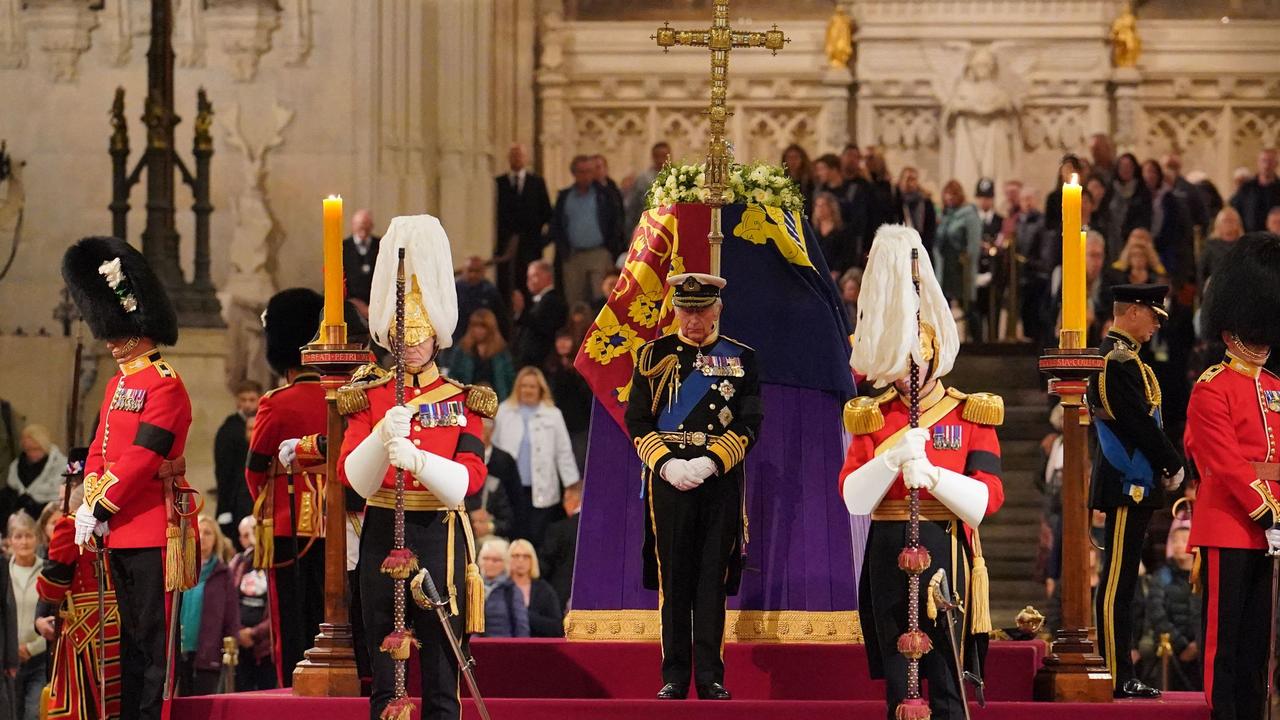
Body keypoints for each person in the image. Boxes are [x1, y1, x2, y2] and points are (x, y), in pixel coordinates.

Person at [841, 224, 1004, 719]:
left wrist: (934, 476)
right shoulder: (874, 414)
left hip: (946, 547)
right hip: (888, 547)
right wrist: (889, 457)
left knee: (948, 679)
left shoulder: (968, 412)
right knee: (898, 679)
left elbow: (987, 499)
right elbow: (852, 497)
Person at [337, 214, 494, 720]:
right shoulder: (370, 394)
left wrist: (420, 459)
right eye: (402, 335)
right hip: (384, 527)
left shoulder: (465, 400)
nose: (410, 344)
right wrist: (383, 438)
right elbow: (351, 477)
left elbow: (467, 481)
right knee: (385, 675)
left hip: (439, 537)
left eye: (420, 335)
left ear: (436, 337)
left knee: (442, 677)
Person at [61, 235, 192, 720]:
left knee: (155, 643)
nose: (112, 343)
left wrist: (100, 504)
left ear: (140, 328)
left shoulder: (165, 384)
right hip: (119, 530)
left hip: (156, 527)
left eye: (119, 334)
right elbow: (100, 445)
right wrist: (85, 500)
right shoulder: (118, 384)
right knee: (130, 640)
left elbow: (143, 455)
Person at [626, 272, 763, 701]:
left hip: (718, 479)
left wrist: (711, 461)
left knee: (711, 580)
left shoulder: (742, 359)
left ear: (717, 310)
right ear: (675, 310)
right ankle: (673, 676)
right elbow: (637, 419)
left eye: (702, 310)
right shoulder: (653, 355)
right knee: (675, 581)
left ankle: (711, 676)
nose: (693, 320)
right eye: (686, 310)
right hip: (668, 480)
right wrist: (665, 465)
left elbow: (750, 421)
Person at [1184, 232, 1280, 719]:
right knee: (1226, 643)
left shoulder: (1273, 386)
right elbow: (1223, 462)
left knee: (1259, 644)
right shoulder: (1211, 388)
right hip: (1230, 522)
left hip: (1271, 530)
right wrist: (1269, 509)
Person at [1087, 284, 1184, 699]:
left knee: (1124, 581)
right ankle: (1115, 672)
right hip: (1127, 482)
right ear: (1131, 312)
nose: (1157, 323)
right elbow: (1137, 424)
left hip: (1135, 482)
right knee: (1117, 583)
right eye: (1152, 315)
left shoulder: (1131, 362)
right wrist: (1173, 462)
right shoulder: (1116, 362)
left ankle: (1119, 671)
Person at [244, 288, 327, 687]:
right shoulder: (340, 397)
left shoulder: (277, 402)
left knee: (291, 623)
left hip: (286, 522)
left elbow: (255, 470)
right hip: (341, 524)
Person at [35, 479, 120, 720]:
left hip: (85, 629)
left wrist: (40, 586)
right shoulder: (116, 522)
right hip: (119, 623)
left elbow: (52, 588)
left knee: (83, 706)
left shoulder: (69, 525)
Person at [492, 367, 580, 548]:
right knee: (512, 533)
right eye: (524, 386)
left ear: (540, 388)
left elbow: (563, 452)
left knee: (538, 536)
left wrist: (572, 486)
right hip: (509, 489)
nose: (527, 390)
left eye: (532, 386)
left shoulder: (553, 414)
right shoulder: (504, 411)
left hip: (542, 487)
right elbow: (494, 450)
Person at [549, 155, 624, 306]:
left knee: (602, 300)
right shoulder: (565, 197)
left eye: (589, 171)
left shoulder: (604, 195)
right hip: (573, 256)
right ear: (574, 173)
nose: (586, 175)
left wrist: (612, 250)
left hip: (599, 253)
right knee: (575, 303)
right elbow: (557, 225)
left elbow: (616, 222)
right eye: (581, 171)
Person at [177, 516, 239, 696]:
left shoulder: (223, 573)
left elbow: (231, 615)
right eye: (199, 532)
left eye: (208, 533)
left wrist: (231, 648)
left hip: (208, 652)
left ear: (216, 540)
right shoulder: (180, 568)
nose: (202, 537)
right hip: (179, 651)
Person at [1142, 520, 1200, 691]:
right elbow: (1156, 612)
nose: (1178, 545)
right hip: (1172, 651)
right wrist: (1181, 644)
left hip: (1198, 651)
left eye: (1184, 540)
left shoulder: (1202, 577)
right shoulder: (1162, 576)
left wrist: (1198, 645)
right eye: (1174, 541)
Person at [494, 143, 553, 303]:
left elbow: (547, 213)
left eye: (520, 155)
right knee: (506, 286)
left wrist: (542, 241)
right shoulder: (499, 183)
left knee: (530, 286)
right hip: (505, 246)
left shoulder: (536, 183)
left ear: (526, 159)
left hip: (530, 246)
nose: (517, 158)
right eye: (513, 155)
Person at [229, 516, 275, 691]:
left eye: (254, 533)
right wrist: (238, 631)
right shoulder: (239, 563)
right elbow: (229, 600)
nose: (252, 539)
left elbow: (276, 611)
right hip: (240, 642)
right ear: (240, 540)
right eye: (246, 535)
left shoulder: (273, 562)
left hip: (265, 646)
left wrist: (254, 633)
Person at [214, 380, 260, 545]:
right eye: (243, 400)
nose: (247, 404)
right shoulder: (229, 429)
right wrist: (224, 507)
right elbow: (223, 470)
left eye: (252, 399)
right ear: (237, 401)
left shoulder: (265, 422)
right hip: (236, 496)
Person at [934, 179, 983, 336]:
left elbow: (973, 243)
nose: (949, 198)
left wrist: (969, 264)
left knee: (968, 305)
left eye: (952, 194)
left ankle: (977, 342)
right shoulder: (945, 215)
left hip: (962, 267)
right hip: (946, 266)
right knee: (944, 305)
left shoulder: (969, 214)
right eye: (946, 194)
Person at [8, 512, 44, 720]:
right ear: (10, 540)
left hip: (38, 658)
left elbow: (54, 617)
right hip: (7, 659)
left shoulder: (46, 572)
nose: (24, 541)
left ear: (37, 538)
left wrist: (31, 648)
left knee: (33, 713)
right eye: (18, 536)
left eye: (29, 535)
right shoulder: (5, 573)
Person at [440, 308, 516, 401]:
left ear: (491, 329)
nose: (479, 330)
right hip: (467, 401)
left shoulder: (501, 352)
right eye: (475, 326)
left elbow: (509, 378)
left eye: (483, 327)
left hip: (498, 402)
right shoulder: (462, 350)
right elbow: (453, 376)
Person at [544, 331, 593, 471]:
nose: (562, 343)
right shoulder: (550, 365)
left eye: (566, 339)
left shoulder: (582, 366)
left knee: (578, 464)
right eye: (559, 339)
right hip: (557, 422)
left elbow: (587, 395)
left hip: (579, 424)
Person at [1141, 159, 1194, 285]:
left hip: (1164, 251)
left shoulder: (1169, 199)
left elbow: (1175, 228)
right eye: (1147, 172)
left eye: (1153, 172)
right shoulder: (1137, 197)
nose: (1150, 176)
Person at [512, 260, 568, 370]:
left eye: (534, 276)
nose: (529, 281)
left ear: (548, 277)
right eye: (528, 277)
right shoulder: (539, 301)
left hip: (541, 363)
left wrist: (521, 312)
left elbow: (543, 326)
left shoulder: (552, 300)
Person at [4, 425, 66, 523]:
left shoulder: (60, 466)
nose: (32, 454)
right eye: (28, 449)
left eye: (36, 449)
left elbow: (58, 497)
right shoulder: (17, 466)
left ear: (44, 447)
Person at [539, 482, 581, 616]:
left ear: (572, 500)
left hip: (561, 594)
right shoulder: (602, 529)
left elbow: (545, 562)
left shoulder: (559, 529)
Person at [507, 538, 562, 637]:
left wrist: (525, 615)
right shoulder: (501, 588)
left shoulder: (544, 590)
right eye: (516, 556)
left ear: (533, 560)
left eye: (526, 556)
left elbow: (556, 628)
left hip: (537, 647)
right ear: (508, 559)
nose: (520, 560)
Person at [478, 539, 529, 639]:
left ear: (505, 563)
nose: (489, 563)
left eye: (495, 560)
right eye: (485, 559)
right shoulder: (472, 587)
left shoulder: (512, 591)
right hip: (473, 649)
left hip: (503, 648)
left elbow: (521, 628)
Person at [454, 255, 510, 342]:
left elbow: (501, 319)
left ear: (483, 272)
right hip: (457, 343)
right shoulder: (454, 291)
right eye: (470, 270)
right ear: (463, 271)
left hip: (483, 344)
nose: (473, 275)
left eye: (477, 271)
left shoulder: (491, 292)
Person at [624, 141, 672, 233]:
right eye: (658, 156)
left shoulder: (676, 178)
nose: (661, 160)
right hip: (647, 227)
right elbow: (632, 207)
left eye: (664, 156)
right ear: (653, 157)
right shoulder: (643, 179)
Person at [343, 208, 381, 320]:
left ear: (372, 225)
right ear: (353, 225)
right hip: (350, 307)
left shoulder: (381, 245)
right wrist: (354, 304)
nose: (363, 227)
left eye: (366, 224)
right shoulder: (342, 247)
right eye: (359, 224)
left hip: (377, 306)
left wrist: (373, 306)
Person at [1230, 148, 1280, 232]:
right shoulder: (1246, 188)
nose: (1266, 165)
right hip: (1251, 237)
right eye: (1264, 161)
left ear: (1276, 164)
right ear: (1258, 163)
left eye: (1270, 161)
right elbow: (1234, 210)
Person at [893, 166, 936, 256]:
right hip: (900, 249)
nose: (910, 183)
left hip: (921, 248)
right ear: (901, 181)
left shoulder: (925, 202)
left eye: (913, 179)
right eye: (908, 179)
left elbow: (930, 228)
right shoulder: (894, 201)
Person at [813, 191, 857, 277]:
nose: (819, 209)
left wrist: (837, 271)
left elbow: (846, 255)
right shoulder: (814, 232)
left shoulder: (842, 231)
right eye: (817, 206)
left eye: (823, 205)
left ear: (831, 207)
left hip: (837, 274)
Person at [1199, 207, 1244, 289]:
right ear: (1218, 224)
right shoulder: (1210, 247)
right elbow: (1201, 274)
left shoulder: (1245, 245)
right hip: (1216, 289)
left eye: (1231, 220)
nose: (1228, 223)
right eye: (1225, 221)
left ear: (1239, 224)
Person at [781, 144, 815, 212]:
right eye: (789, 157)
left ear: (802, 159)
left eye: (796, 157)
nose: (793, 161)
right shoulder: (782, 180)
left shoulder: (810, 180)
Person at [839, 267, 862, 332]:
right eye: (849, 289)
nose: (851, 293)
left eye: (854, 289)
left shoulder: (862, 307)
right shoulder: (840, 307)